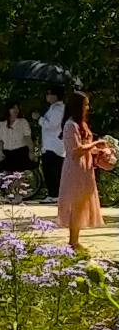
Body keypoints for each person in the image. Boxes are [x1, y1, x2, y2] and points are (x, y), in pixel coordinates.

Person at [58, 92, 109, 253]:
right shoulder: (70, 125)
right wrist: (97, 142)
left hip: (85, 168)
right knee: (75, 203)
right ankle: (72, 241)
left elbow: (86, 148)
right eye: (85, 105)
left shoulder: (82, 125)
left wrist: (99, 151)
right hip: (74, 168)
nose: (87, 108)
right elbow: (75, 150)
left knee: (81, 203)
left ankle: (76, 240)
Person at [0, 102, 35, 198]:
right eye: (13, 108)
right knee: (7, 175)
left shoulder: (22, 122)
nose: (15, 110)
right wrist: (0, 152)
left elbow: (27, 137)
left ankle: (18, 195)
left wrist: (31, 151)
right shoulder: (1, 124)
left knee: (19, 175)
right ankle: (9, 194)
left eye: (17, 108)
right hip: (7, 151)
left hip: (20, 150)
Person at [42, 92, 70, 199]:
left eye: (49, 93)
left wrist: (40, 119)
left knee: (53, 170)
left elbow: (52, 125)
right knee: (49, 169)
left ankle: (54, 194)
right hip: (49, 143)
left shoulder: (58, 109)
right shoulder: (52, 108)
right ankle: (52, 193)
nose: (47, 96)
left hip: (54, 144)